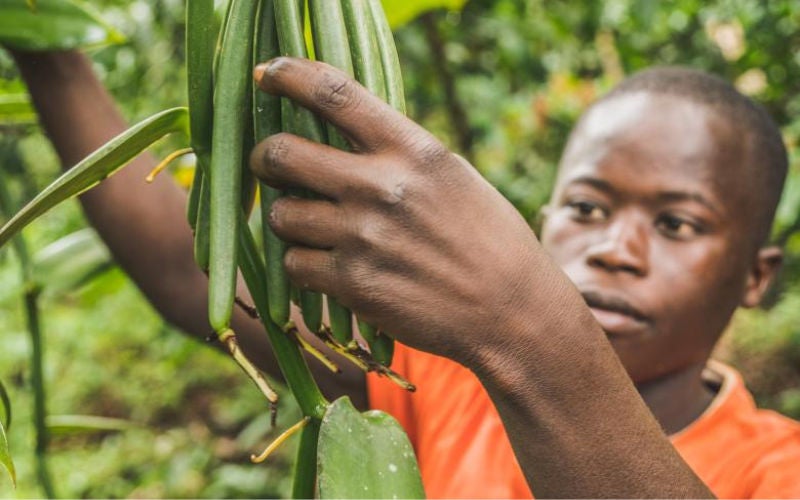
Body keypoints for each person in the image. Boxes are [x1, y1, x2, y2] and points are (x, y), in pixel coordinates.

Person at [9, 47, 800, 498]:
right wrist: (53, 61)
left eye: (676, 224)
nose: (616, 249)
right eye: (587, 208)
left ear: (756, 277)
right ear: (542, 220)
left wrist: (528, 328)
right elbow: (195, 279)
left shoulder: (776, 467)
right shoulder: (454, 379)